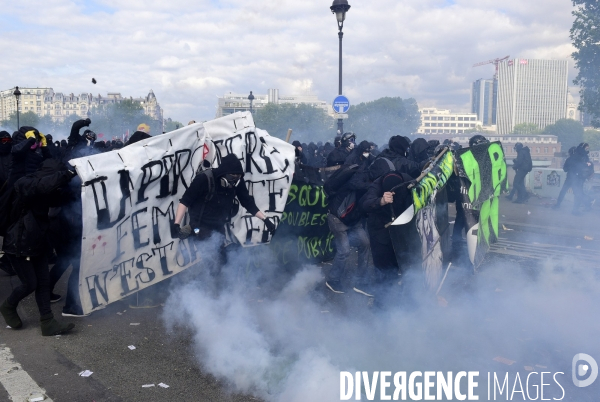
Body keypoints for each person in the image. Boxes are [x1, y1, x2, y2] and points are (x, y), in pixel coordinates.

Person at [0, 159, 76, 335]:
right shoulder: (26, 183)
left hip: (38, 243)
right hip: (19, 243)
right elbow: (41, 186)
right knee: (30, 284)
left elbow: (61, 198)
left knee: (43, 283)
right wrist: (67, 174)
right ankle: (8, 306)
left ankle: (48, 322)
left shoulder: (49, 188)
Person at [172, 153, 276, 252]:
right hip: (198, 226)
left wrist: (265, 219)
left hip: (218, 226)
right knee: (211, 257)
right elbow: (185, 201)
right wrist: (176, 224)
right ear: (223, 173)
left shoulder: (237, 182)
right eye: (232, 177)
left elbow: (247, 202)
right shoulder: (204, 179)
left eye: (237, 177)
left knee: (220, 256)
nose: (234, 181)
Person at [325, 139, 372, 295]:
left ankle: (362, 280)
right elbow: (356, 185)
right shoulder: (354, 178)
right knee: (344, 250)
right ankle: (333, 280)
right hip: (337, 217)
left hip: (352, 218)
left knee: (365, 243)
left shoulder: (362, 176)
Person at [360, 171, 413, 303]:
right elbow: (365, 204)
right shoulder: (376, 185)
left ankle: (404, 298)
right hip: (380, 229)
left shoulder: (409, 182)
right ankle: (381, 303)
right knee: (383, 270)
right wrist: (381, 201)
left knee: (403, 265)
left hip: (402, 229)